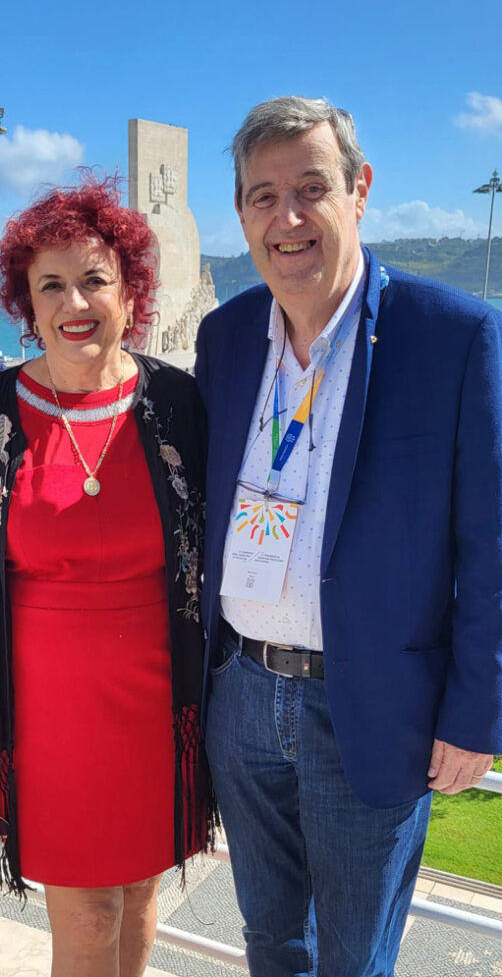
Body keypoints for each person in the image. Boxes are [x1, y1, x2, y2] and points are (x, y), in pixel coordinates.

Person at [195, 96, 502, 977]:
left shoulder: (452, 337)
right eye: (262, 196)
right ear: (243, 212)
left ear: (359, 190)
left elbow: (490, 546)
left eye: (310, 189)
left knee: (356, 956)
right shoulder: (225, 339)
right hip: (241, 695)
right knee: (268, 939)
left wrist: (475, 715)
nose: (285, 219)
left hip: (371, 708)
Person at [0, 178, 215, 977]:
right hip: (50, 718)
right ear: (26, 301)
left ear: (130, 292)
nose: (74, 301)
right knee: (86, 918)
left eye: (95, 279)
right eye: (51, 284)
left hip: (160, 709)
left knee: (143, 896)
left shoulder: (178, 404)